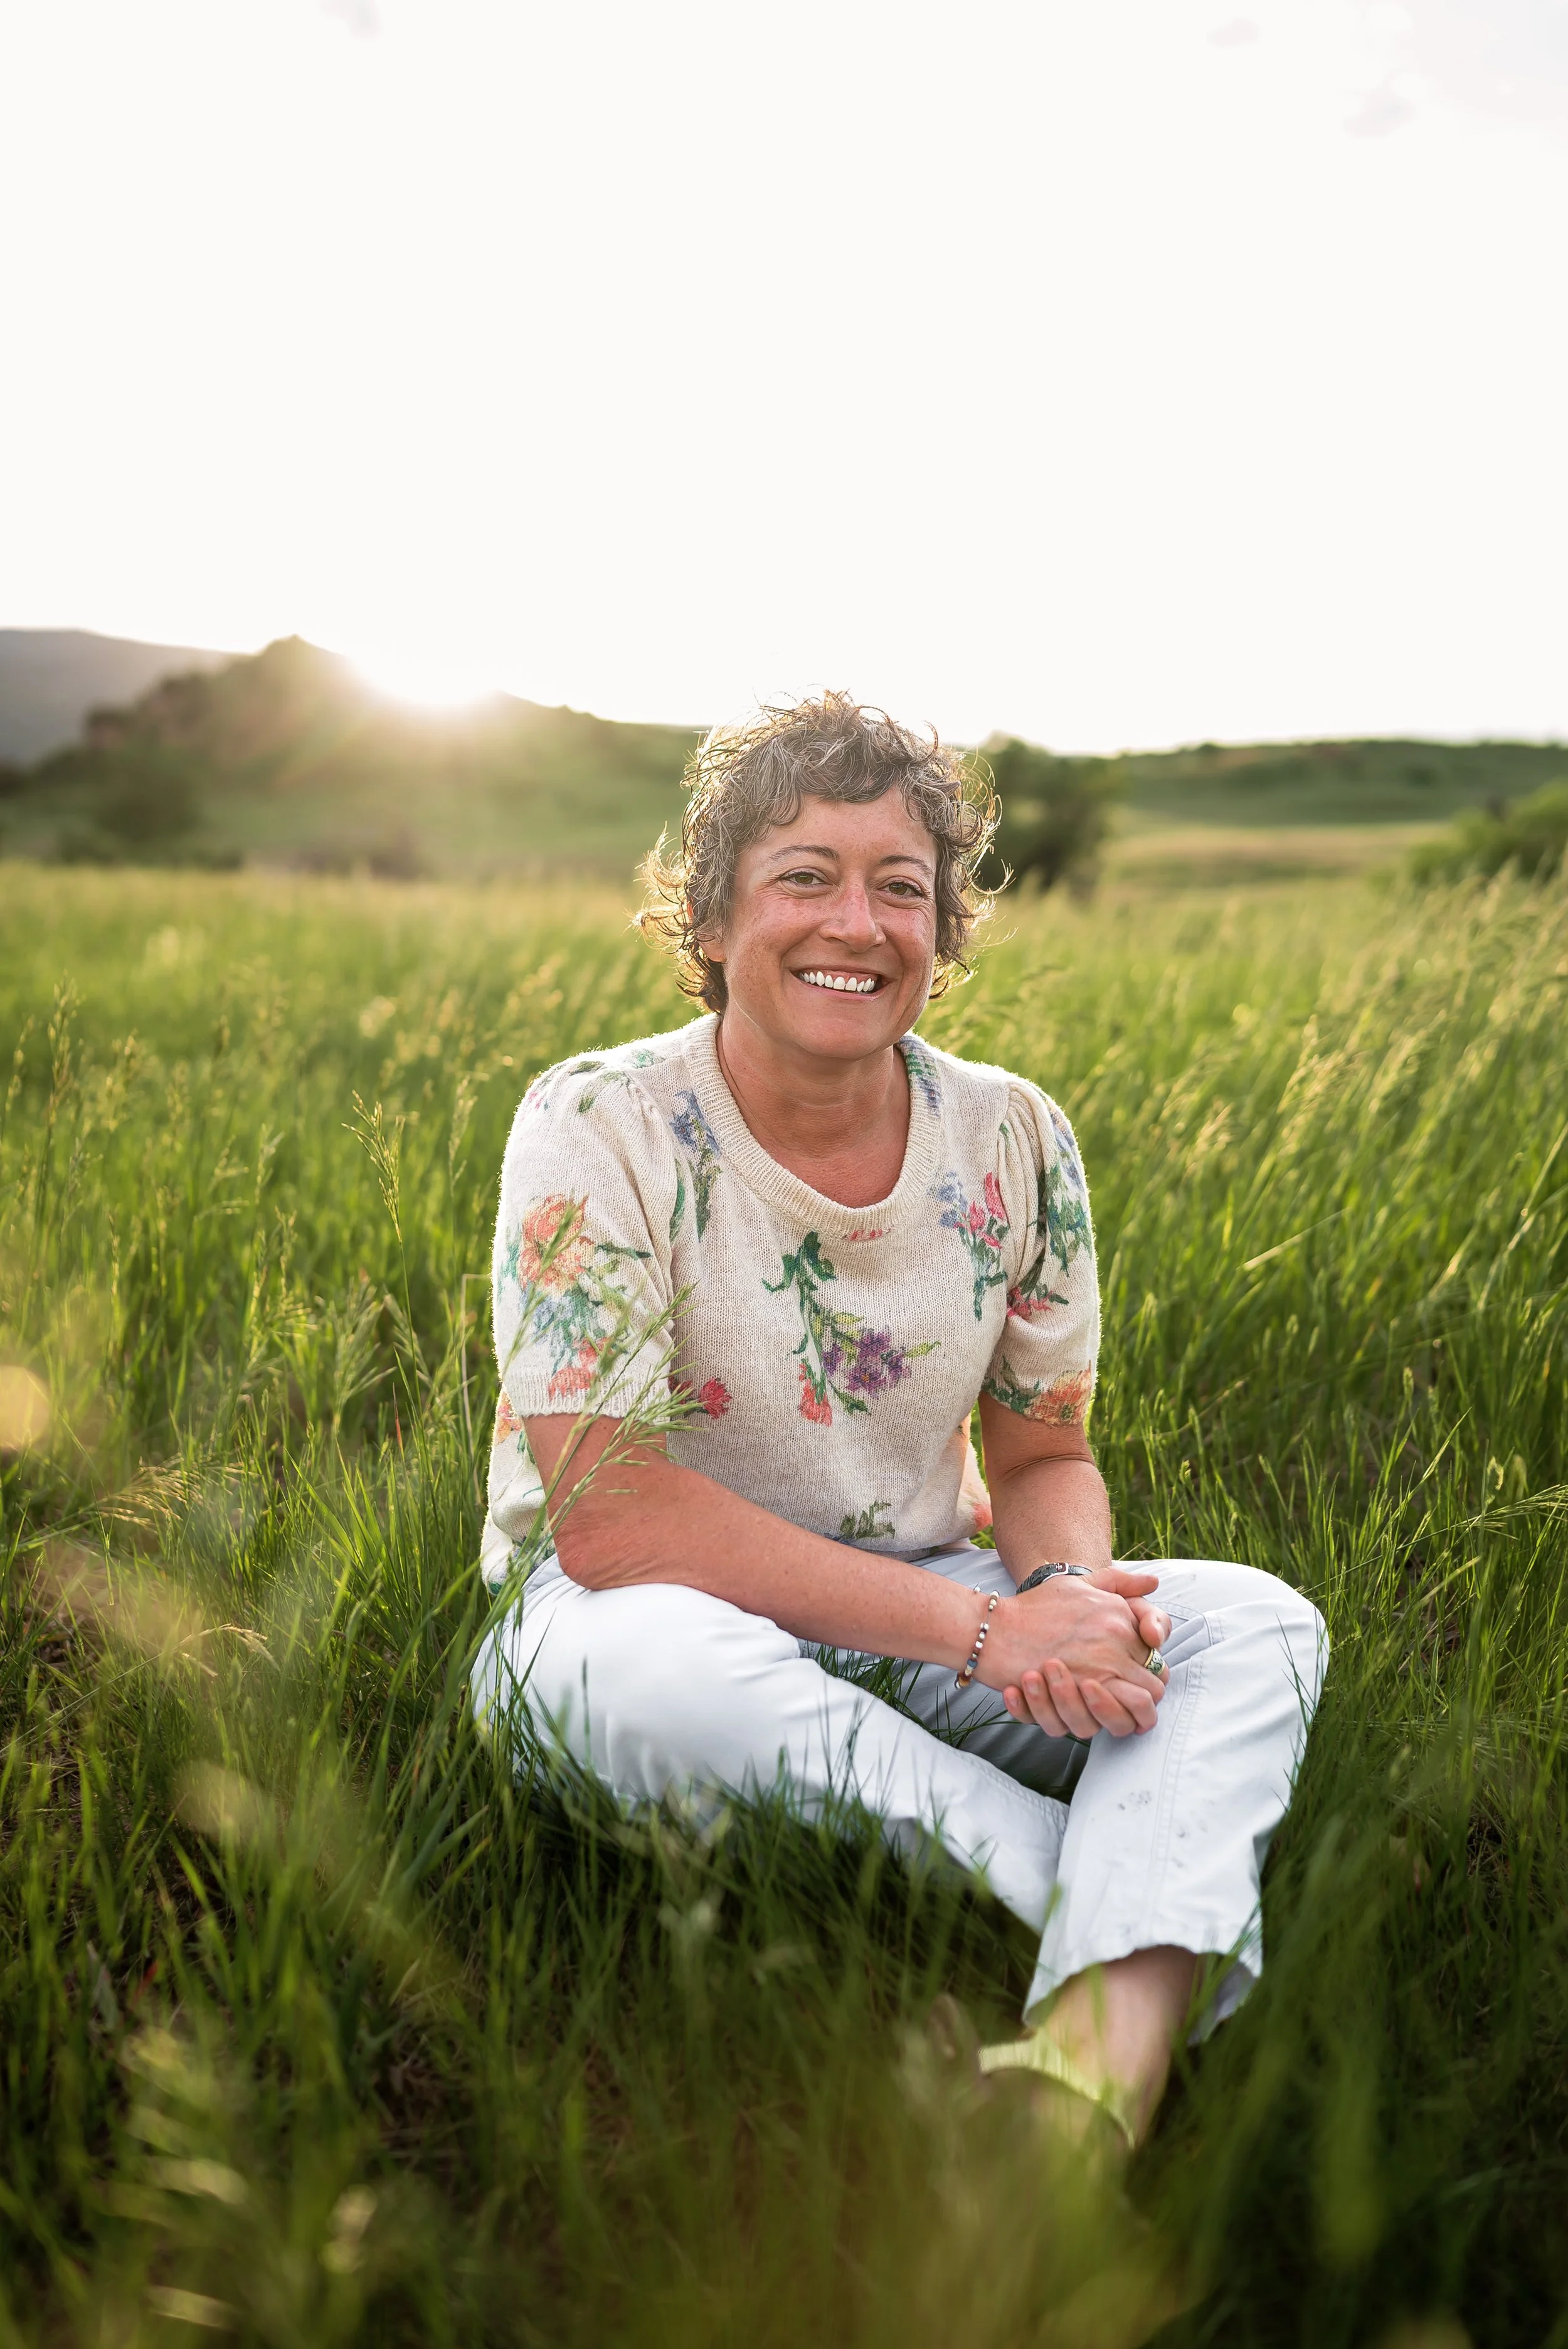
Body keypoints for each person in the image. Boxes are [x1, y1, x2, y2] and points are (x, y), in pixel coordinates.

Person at [473, 693, 1327, 2150]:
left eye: (900, 888)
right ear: (715, 912)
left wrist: (1060, 1600)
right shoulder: (597, 1120)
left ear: (944, 930)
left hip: (933, 1589)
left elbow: (1042, 1453)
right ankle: (1114, 1907)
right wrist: (996, 1646)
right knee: (647, 1683)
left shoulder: (1012, 1136)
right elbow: (612, 1517)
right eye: (804, 875)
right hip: (643, 1615)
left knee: (1254, 1625)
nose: (853, 924)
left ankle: (1076, 2089)